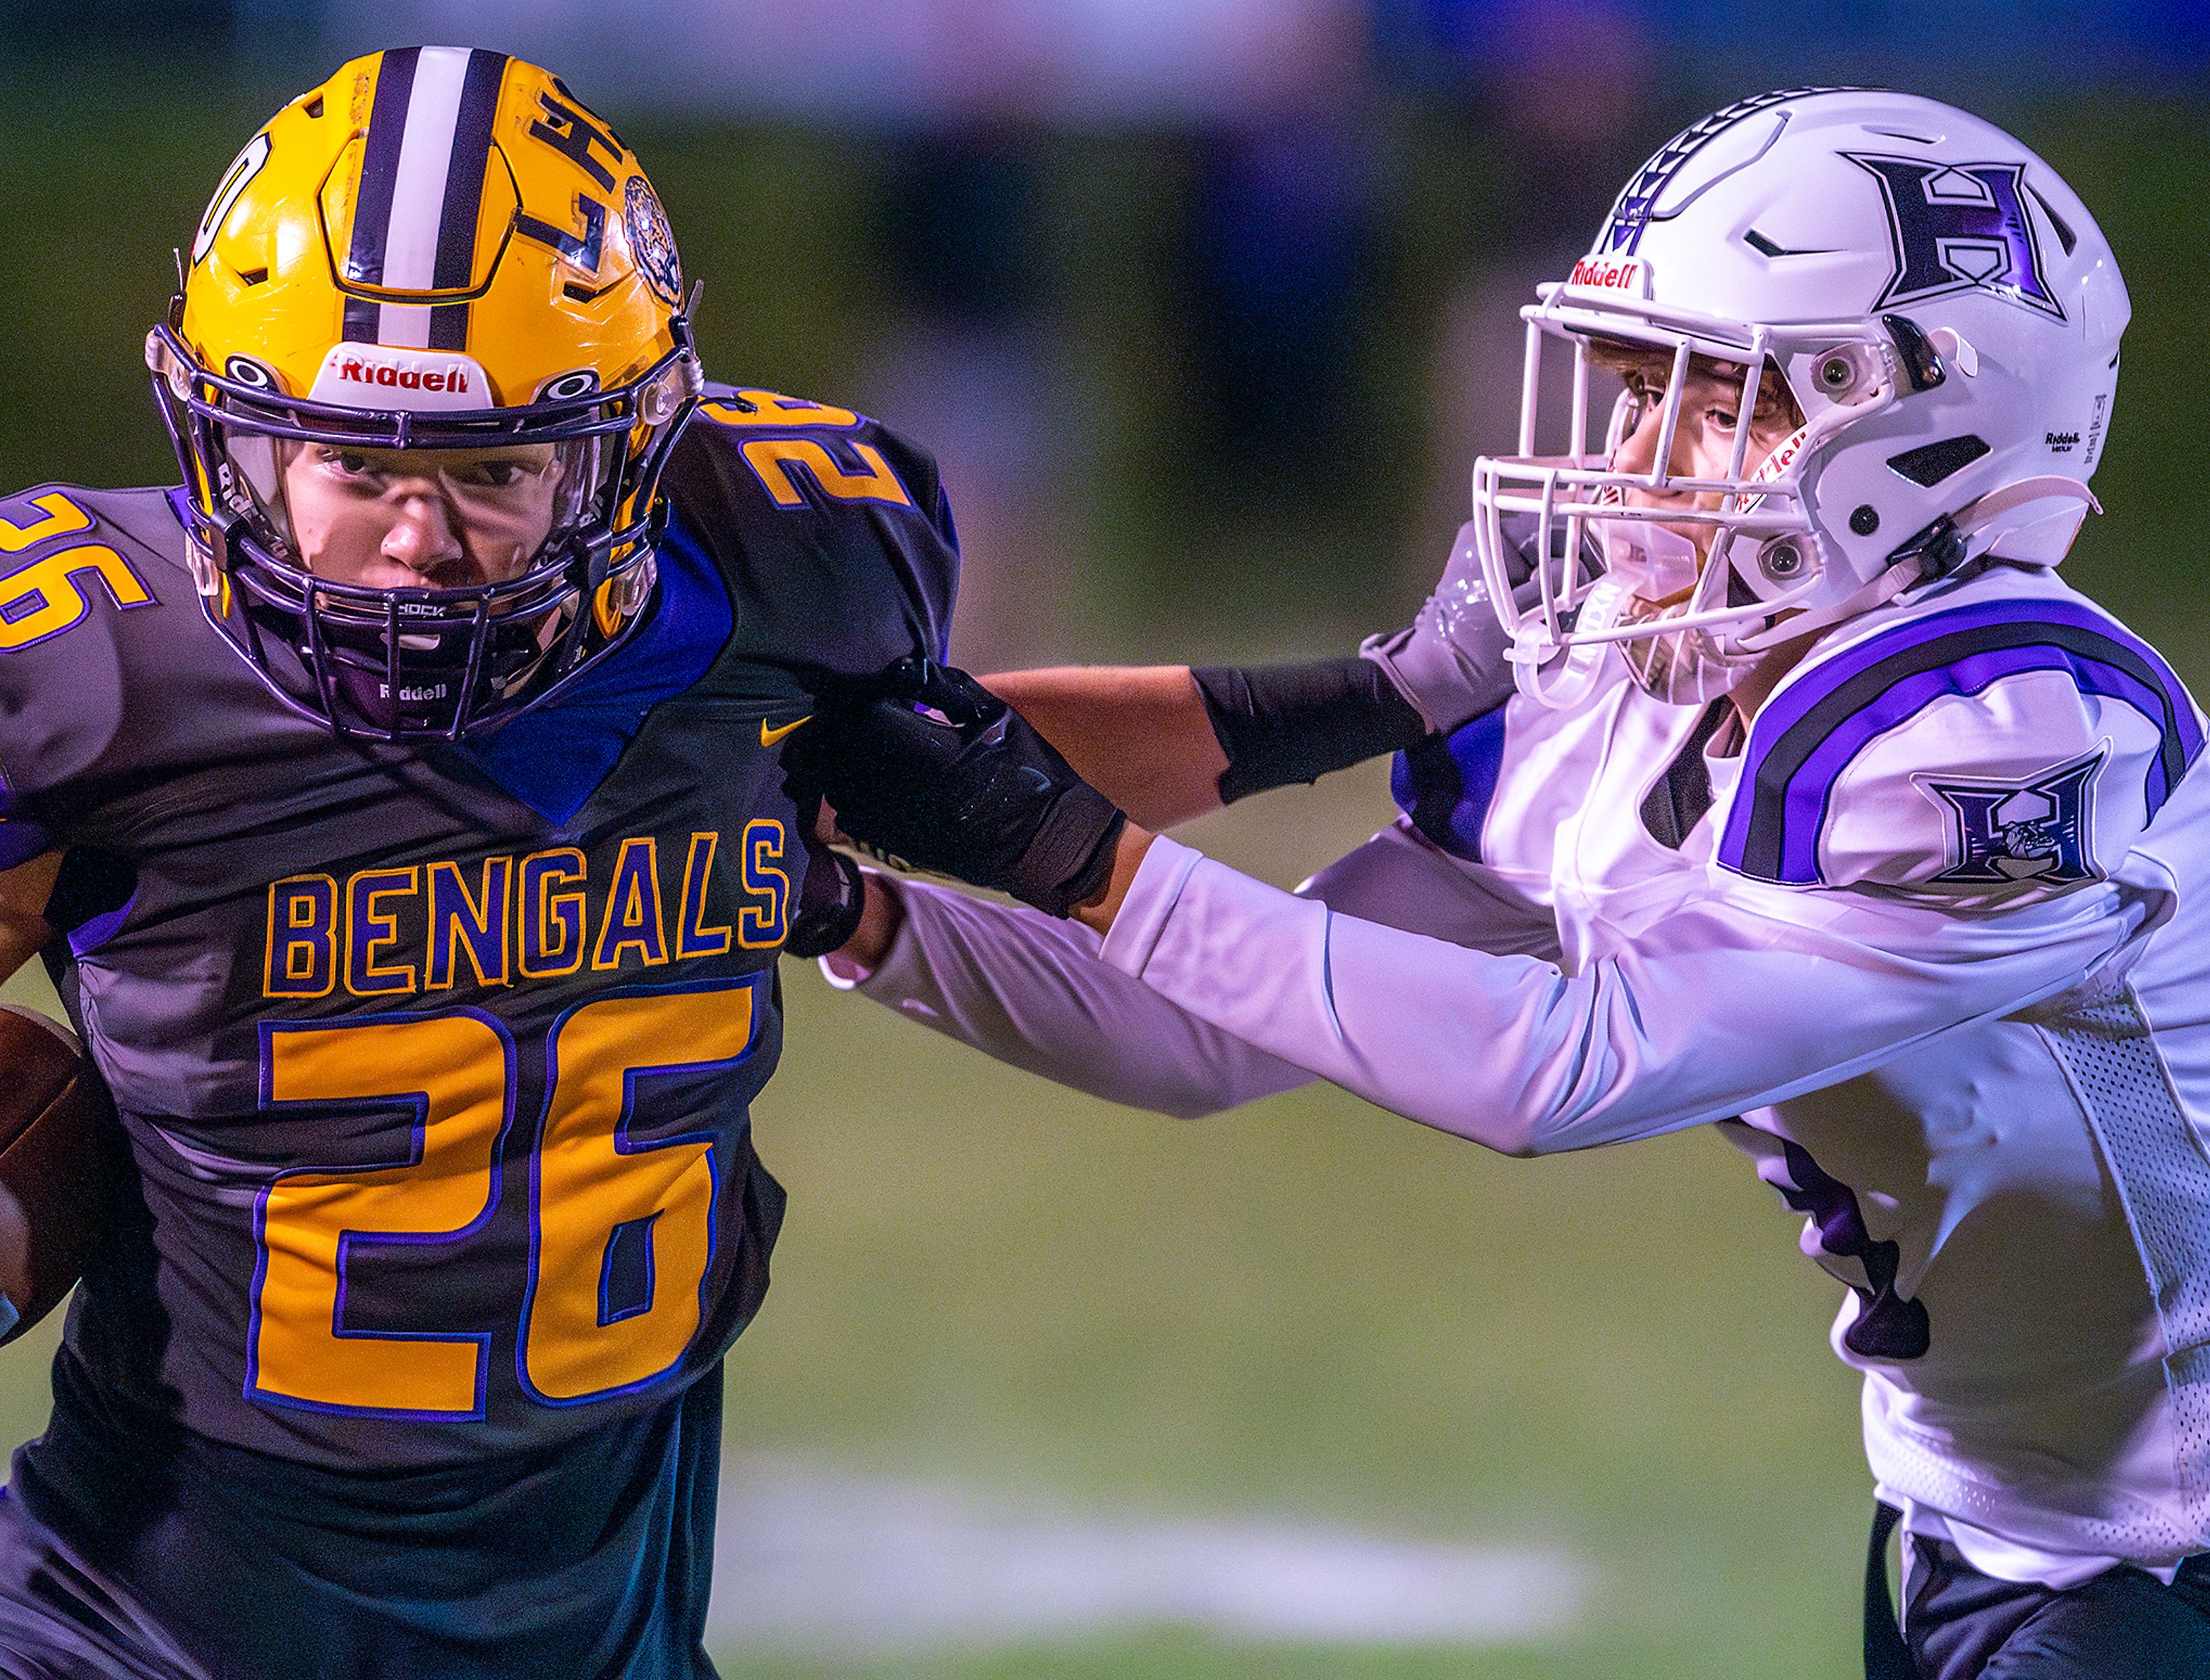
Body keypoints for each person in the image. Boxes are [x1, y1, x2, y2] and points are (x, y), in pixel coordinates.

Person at [782, 89, 2210, 1678]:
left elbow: (1562, 1064)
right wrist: (853, 911)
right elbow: (1197, 1037)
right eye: (1632, 385)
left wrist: (1071, 856)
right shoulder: (1642, 696)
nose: (1639, 458)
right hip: (1992, 1512)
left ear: (1929, 430)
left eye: (1718, 400)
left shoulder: (2006, 734)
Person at [0, 47, 970, 1679]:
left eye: (495, 473)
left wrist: (1369, 700)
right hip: (131, 1621)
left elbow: (1008, 780)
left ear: (626, 457)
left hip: (594, 1628)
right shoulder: (89, 683)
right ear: (237, 449)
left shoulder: (767, 594)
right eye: (357, 468)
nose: (417, 542)